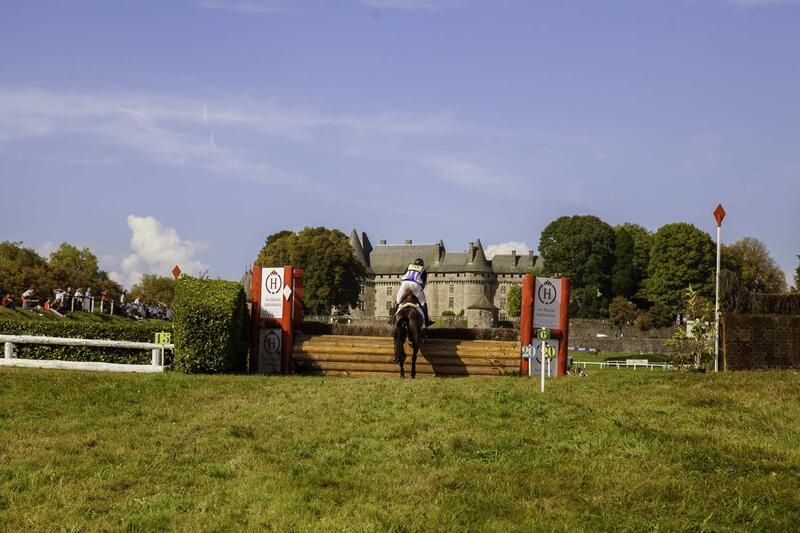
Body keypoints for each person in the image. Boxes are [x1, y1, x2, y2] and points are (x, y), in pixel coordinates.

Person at [393, 258, 435, 327]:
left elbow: (402, 278)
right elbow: (423, 284)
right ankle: (427, 320)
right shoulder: (422, 270)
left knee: (397, 301)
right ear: (422, 265)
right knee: (423, 303)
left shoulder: (408, 267)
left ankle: (392, 318)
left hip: (404, 284)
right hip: (416, 285)